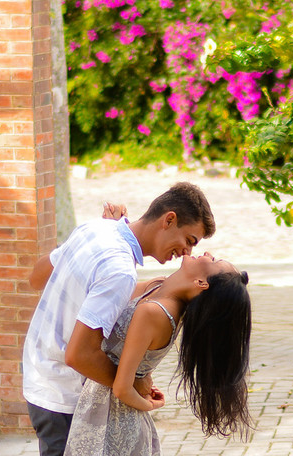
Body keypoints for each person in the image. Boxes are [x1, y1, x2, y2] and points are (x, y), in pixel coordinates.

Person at [24, 182, 216, 456]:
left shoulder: (96, 229)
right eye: (189, 240)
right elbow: (78, 355)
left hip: (38, 376)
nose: (187, 253)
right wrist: (133, 384)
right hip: (64, 396)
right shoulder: (120, 271)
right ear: (169, 219)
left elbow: (36, 277)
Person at [64, 252, 254, 455]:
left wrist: (148, 405)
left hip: (113, 421)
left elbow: (122, 388)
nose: (207, 253)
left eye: (214, 261)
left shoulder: (155, 313)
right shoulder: (158, 287)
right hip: (99, 408)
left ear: (201, 282)